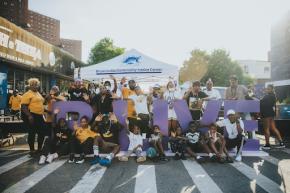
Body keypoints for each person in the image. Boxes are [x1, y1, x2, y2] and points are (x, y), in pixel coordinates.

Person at [21, 78, 45, 156]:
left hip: (40, 115)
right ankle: (32, 150)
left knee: (42, 132)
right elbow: (23, 106)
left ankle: (39, 149)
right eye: (33, 84)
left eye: (36, 84)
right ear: (30, 86)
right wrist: (29, 116)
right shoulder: (27, 94)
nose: (35, 86)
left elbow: (41, 104)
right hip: (32, 115)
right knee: (32, 133)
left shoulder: (38, 93)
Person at [260, 85, 285, 149]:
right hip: (271, 114)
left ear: (271, 89)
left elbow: (261, 103)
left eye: (268, 89)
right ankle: (281, 143)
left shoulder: (267, 96)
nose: (267, 90)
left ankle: (267, 145)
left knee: (266, 129)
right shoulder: (273, 96)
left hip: (266, 114)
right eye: (267, 89)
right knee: (273, 128)